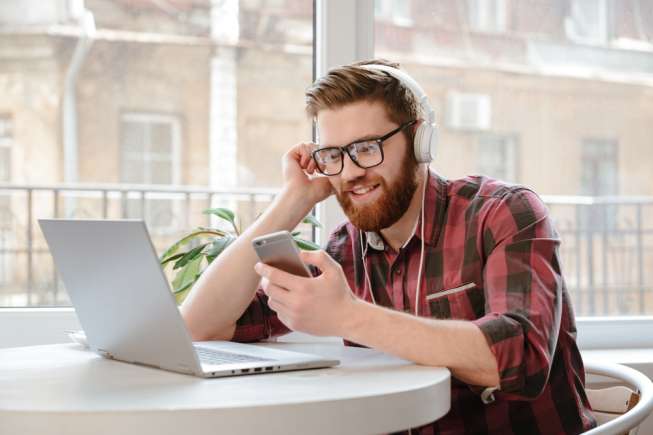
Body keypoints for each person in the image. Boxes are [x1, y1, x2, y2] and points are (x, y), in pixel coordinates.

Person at [181, 59, 596, 434]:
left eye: (366, 148)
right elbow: (201, 327)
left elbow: (521, 359)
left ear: (419, 141)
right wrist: (293, 200)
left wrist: (346, 316)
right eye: (334, 155)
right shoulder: (346, 249)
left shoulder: (503, 213)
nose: (351, 173)